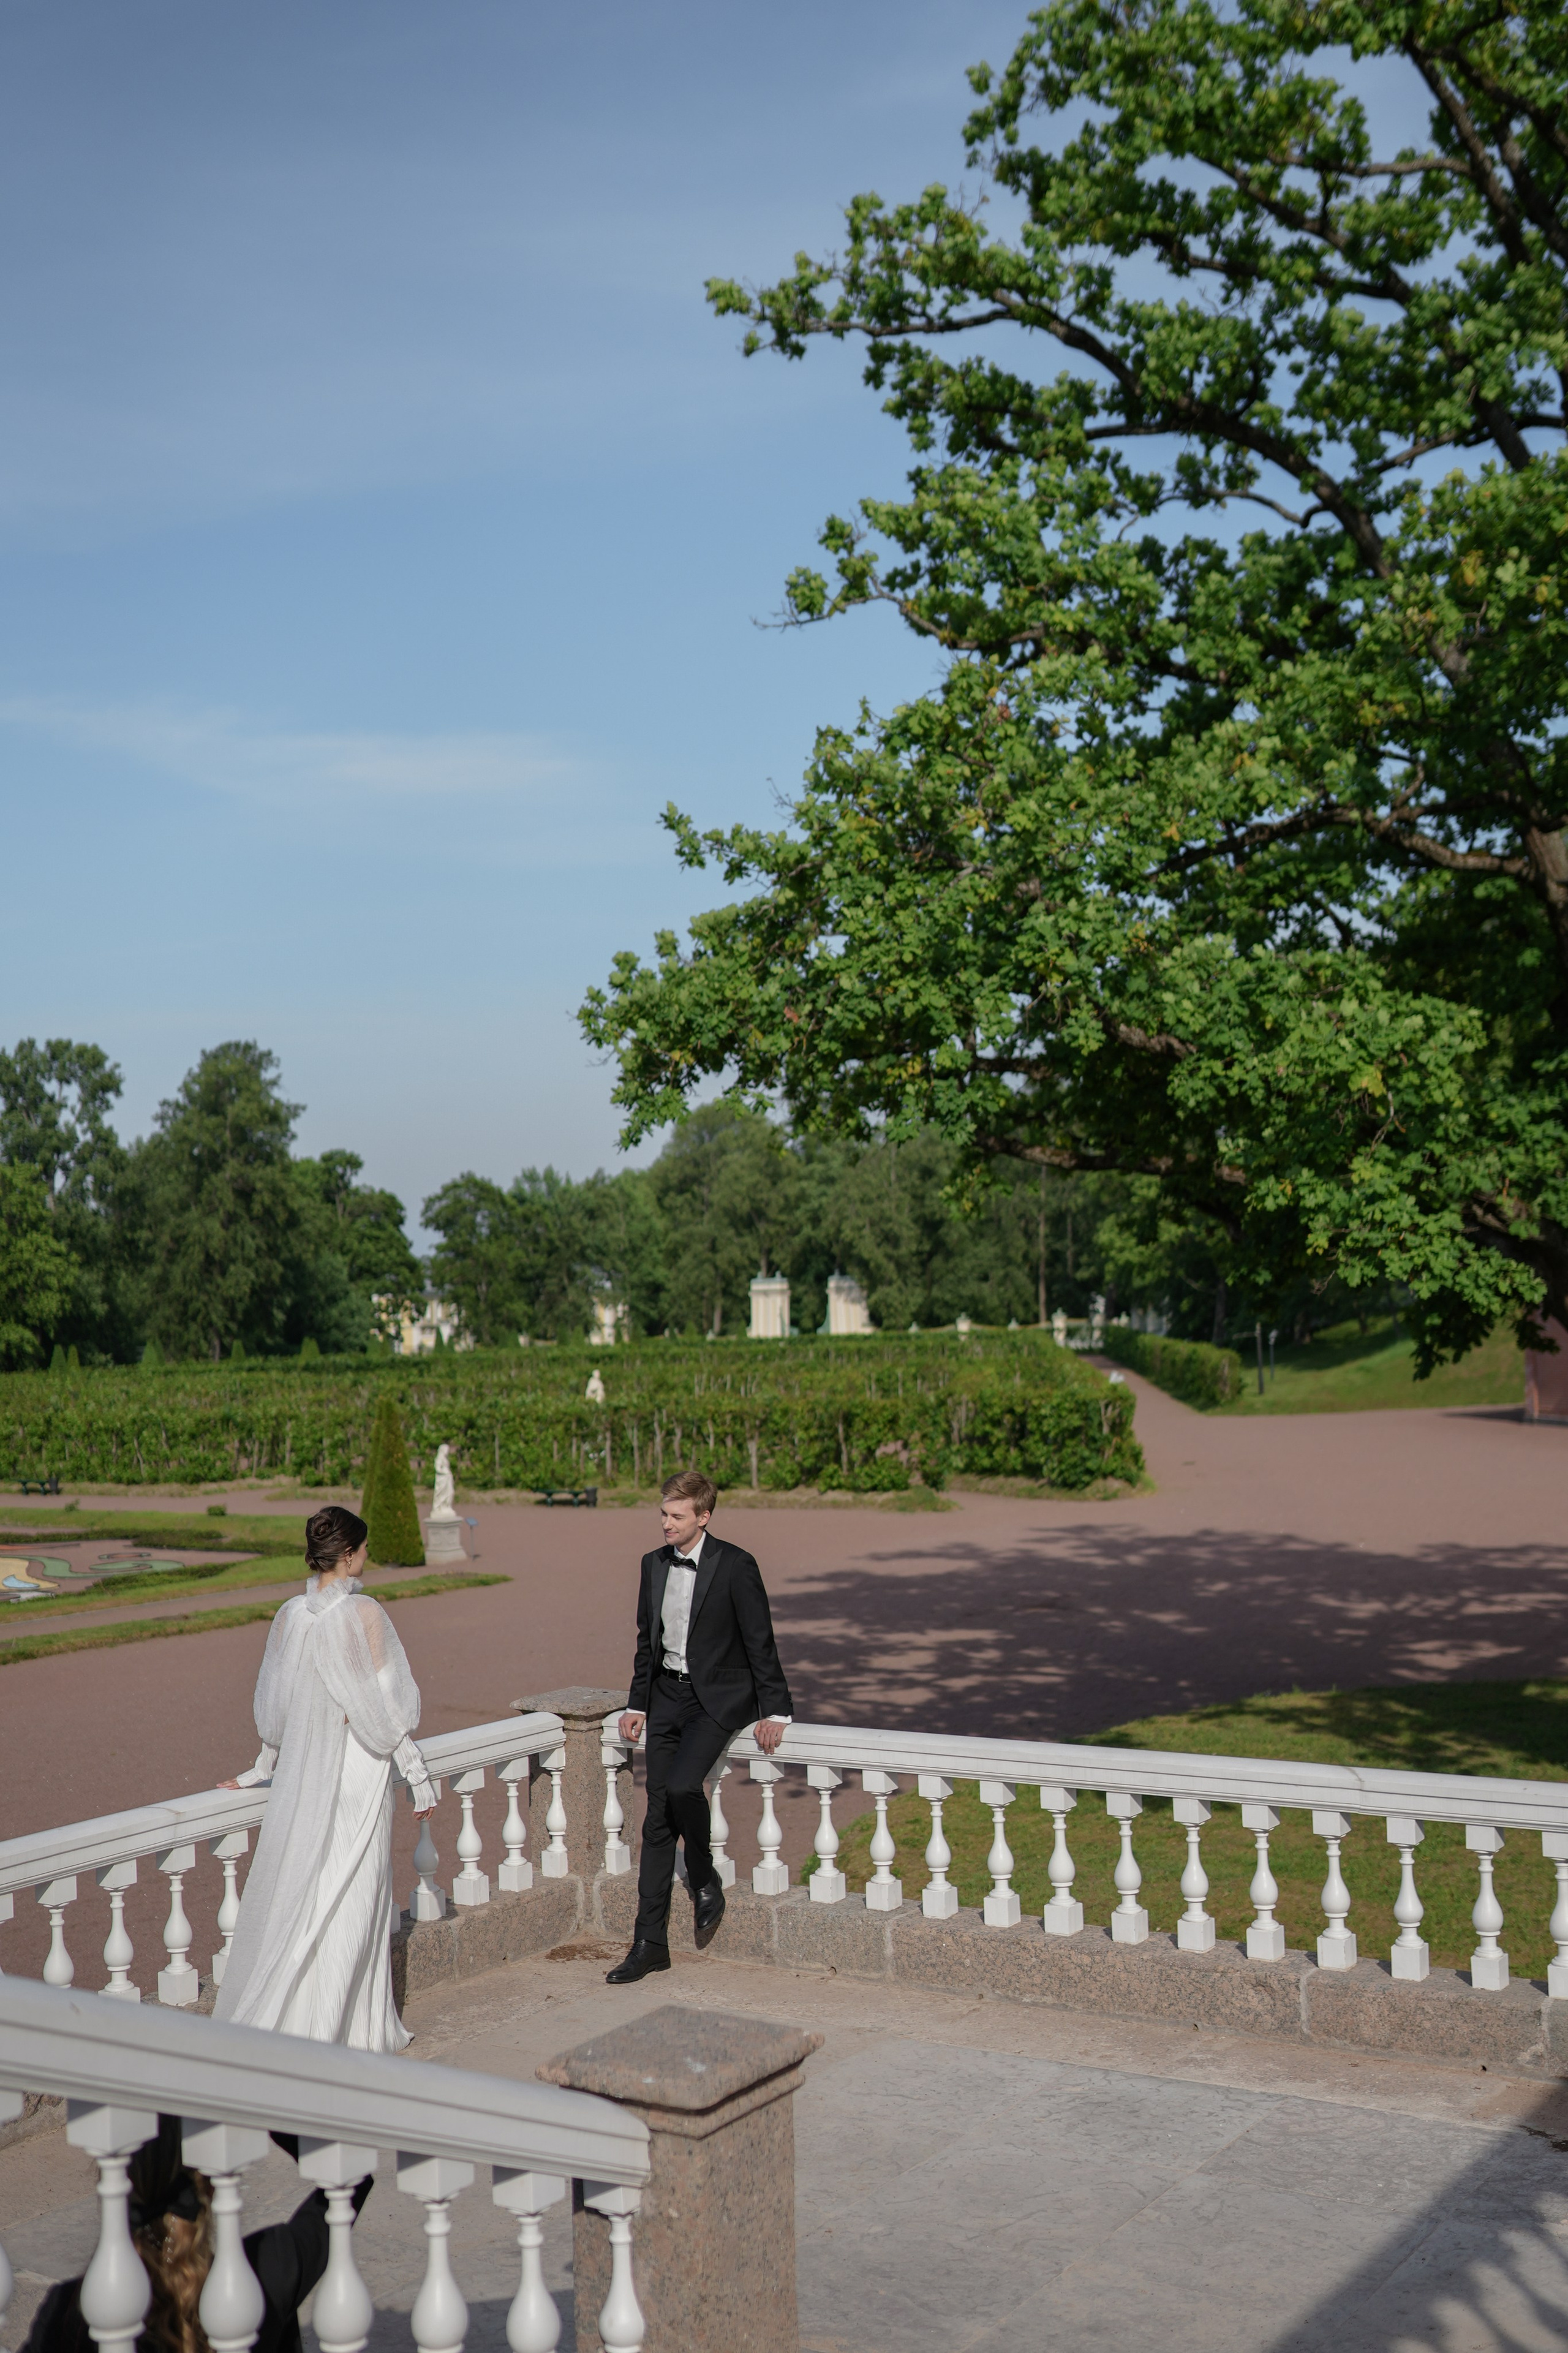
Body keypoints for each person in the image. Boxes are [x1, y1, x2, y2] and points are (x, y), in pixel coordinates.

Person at [213, 1503, 436, 2051]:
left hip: (304, 1775)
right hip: (359, 1769)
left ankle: (303, 2024)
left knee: (311, 1893)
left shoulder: (290, 1615)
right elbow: (387, 1710)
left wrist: (261, 1767)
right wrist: (417, 1771)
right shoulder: (364, 1615)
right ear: (352, 1554)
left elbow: (276, 1710)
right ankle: (343, 2031)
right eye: (365, 1550)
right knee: (356, 1899)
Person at [606, 1469, 793, 1985]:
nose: (666, 1523)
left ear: (704, 1516)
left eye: (676, 1515)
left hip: (717, 1699)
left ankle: (704, 1873)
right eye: (663, 1514)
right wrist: (636, 1702)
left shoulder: (736, 1565)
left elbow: (761, 1640)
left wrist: (776, 1710)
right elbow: (647, 1642)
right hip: (666, 1695)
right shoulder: (652, 1565)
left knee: (686, 1785)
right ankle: (649, 1944)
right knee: (656, 1822)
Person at [21, 2116, 371, 2353]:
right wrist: (264, 2112)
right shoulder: (265, 2273)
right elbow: (351, 2178)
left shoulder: (68, 2311)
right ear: (210, 2187)